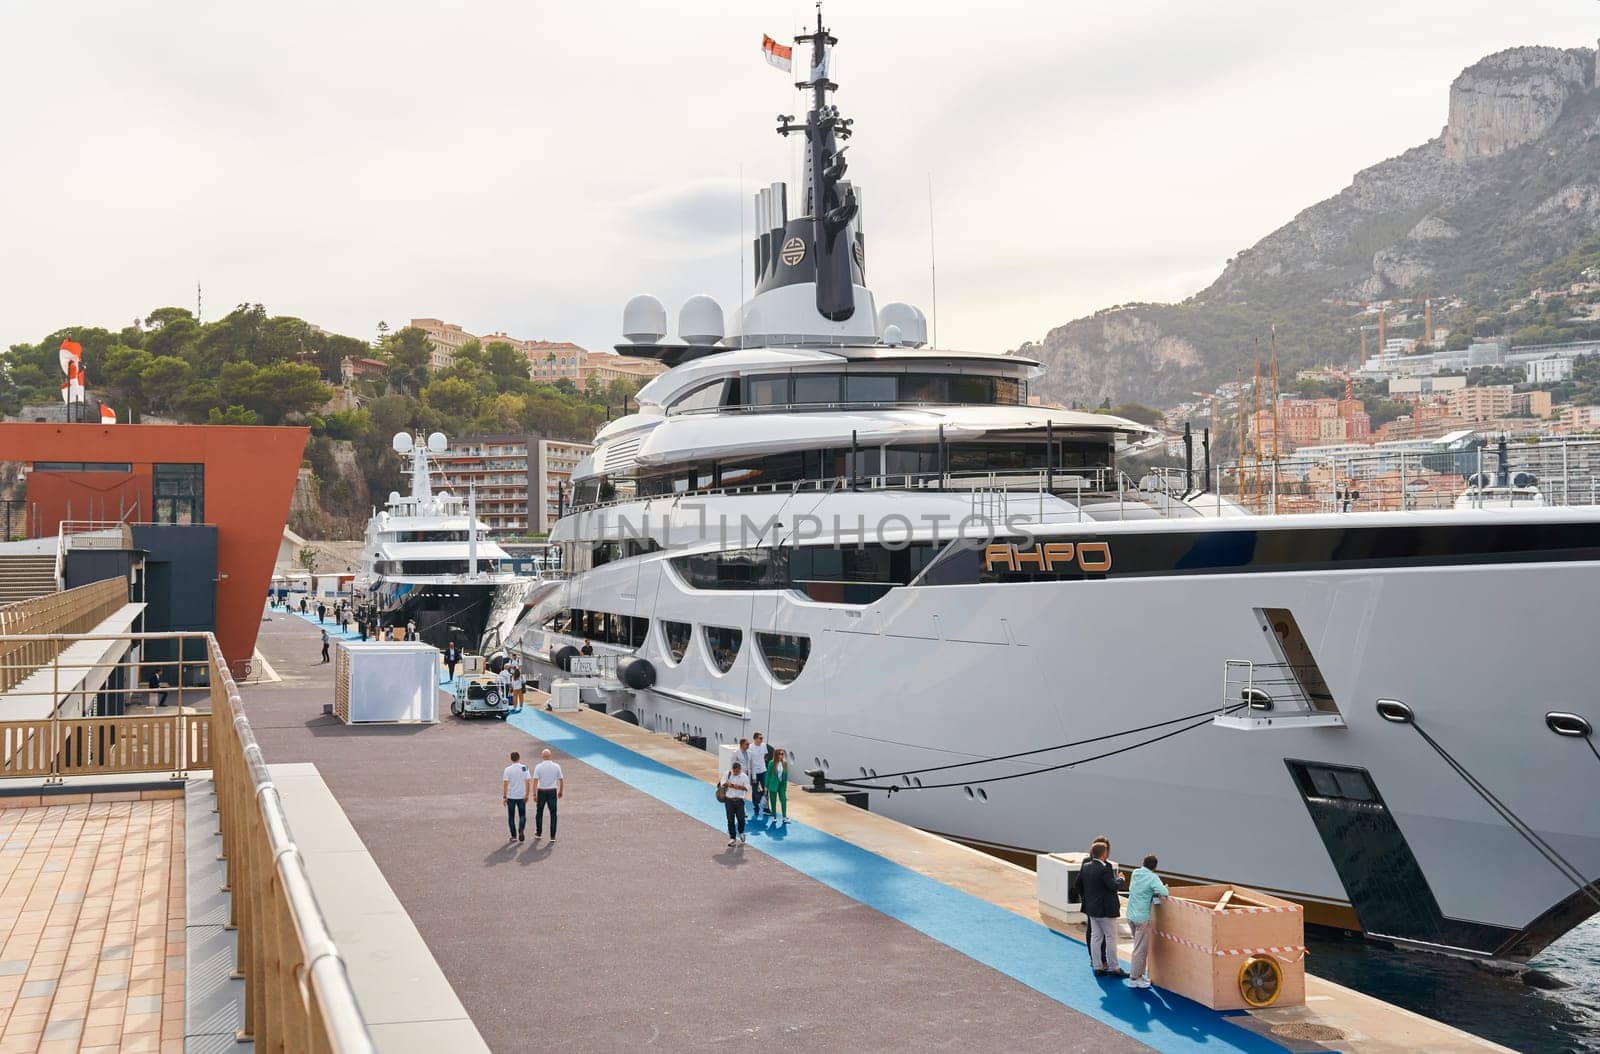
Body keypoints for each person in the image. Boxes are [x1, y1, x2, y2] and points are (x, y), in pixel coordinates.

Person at [1081, 842, 1126, 977]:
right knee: (1111, 938)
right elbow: (1112, 886)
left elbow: (1081, 886)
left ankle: (1097, 966)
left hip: (1092, 909)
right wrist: (1121, 879)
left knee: (1096, 937)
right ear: (1104, 853)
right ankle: (1114, 967)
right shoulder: (1105, 869)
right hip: (1106, 910)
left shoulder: (1086, 867)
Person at [1124, 854, 1169, 989]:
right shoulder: (1153, 877)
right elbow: (1164, 892)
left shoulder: (1135, 873)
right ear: (1155, 867)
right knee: (1140, 949)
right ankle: (1134, 978)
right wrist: (1162, 887)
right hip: (1142, 918)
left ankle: (1140, 974)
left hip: (1130, 915)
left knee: (1138, 947)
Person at [533, 748, 564, 841]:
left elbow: (535, 781)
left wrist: (534, 794)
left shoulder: (538, 766)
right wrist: (561, 791)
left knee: (539, 813)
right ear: (550, 756)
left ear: (542, 756)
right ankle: (552, 836)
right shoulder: (556, 766)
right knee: (553, 814)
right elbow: (561, 780)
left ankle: (539, 833)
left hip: (541, 791)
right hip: (552, 791)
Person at [502, 751, 531, 842]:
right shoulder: (524, 768)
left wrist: (504, 796)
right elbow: (527, 781)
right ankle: (521, 829)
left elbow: (505, 783)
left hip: (511, 796)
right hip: (521, 796)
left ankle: (514, 836)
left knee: (511, 816)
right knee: (522, 815)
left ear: (511, 759)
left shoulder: (508, 769)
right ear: (519, 758)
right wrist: (527, 794)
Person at [720, 761, 750, 846]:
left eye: (737, 771)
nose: (735, 773)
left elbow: (747, 788)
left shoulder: (744, 777)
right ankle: (732, 838)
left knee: (741, 818)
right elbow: (722, 783)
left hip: (739, 801)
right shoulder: (727, 774)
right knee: (730, 819)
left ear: (740, 770)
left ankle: (741, 832)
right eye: (734, 771)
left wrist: (738, 787)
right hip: (729, 800)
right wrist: (727, 784)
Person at [765, 747, 790, 824]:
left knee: (783, 800)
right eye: (780, 754)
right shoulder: (771, 763)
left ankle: (784, 817)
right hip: (773, 784)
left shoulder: (785, 763)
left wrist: (785, 786)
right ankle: (774, 816)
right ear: (776, 754)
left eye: (782, 754)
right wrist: (766, 786)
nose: (781, 755)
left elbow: (785, 776)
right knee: (773, 801)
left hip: (781, 785)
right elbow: (768, 775)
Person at [748, 731, 769, 819]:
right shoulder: (750, 747)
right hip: (754, 772)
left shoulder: (763, 745)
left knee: (766, 789)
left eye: (762, 738)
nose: (761, 740)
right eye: (760, 738)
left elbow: (764, 755)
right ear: (755, 738)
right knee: (755, 790)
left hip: (763, 771)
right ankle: (756, 806)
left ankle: (766, 808)